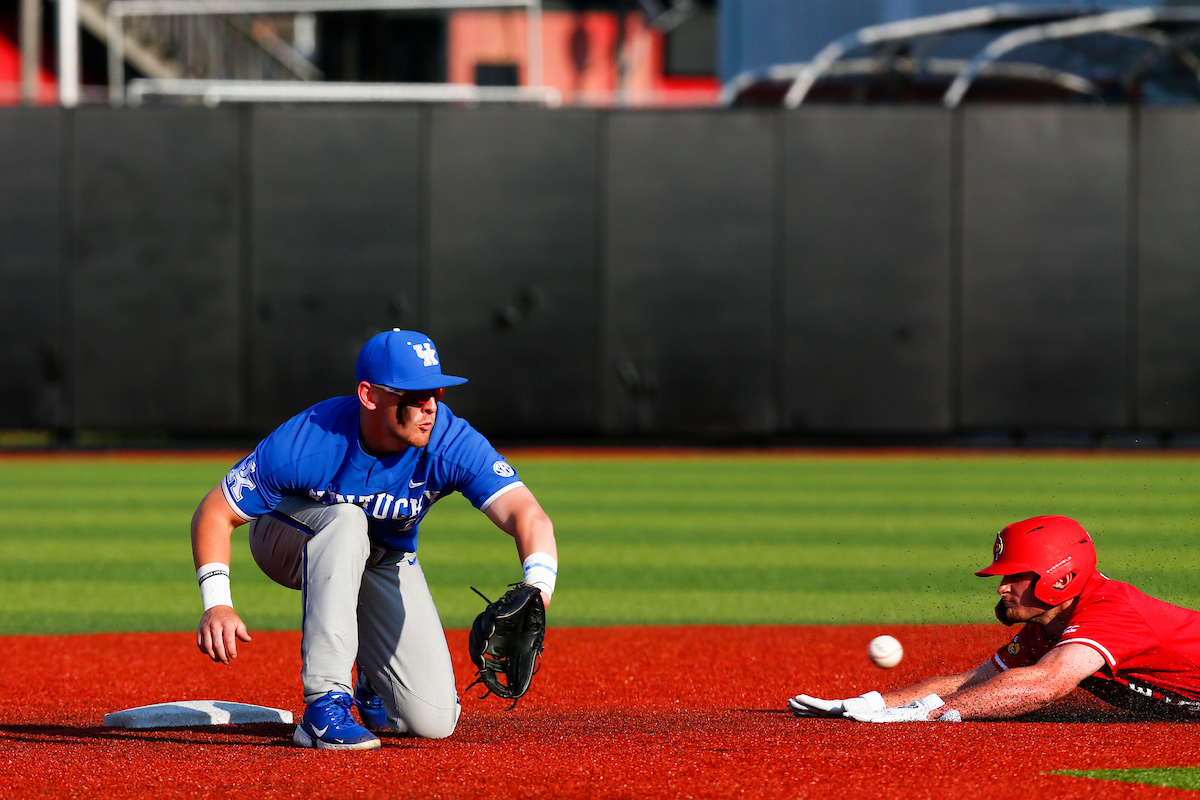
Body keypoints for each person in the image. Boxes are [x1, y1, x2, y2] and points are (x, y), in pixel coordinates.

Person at [191, 329, 558, 750]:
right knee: (348, 521)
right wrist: (217, 602)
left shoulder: (450, 441)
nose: (430, 407)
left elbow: (527, 513)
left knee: (435, 719)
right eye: (415, 396)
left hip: (382, 558)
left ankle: (372, 676)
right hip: (285, 538)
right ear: (369, 395)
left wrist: (537, 591)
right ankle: (324, 705)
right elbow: (214, 513)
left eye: (436, 393)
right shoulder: (312, 438)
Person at [788, 515, 1200, 722]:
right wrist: (868, 703)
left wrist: (927, 713)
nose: (1002, 588)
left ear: (1061, 579)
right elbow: (973, 683)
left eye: (1016, 577)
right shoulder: (1052, 624)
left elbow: (1044, 686)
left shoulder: (1109, 611)